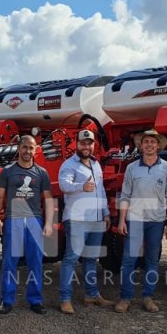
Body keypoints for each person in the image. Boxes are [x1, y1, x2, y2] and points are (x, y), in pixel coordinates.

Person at [115, 130, 167, 313]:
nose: (149, 145)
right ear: (140, 146)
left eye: (153, 142)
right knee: (129, 259)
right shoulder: (132, 168)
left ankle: (148, 297)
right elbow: (125, 195)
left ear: (158, 146)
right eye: (146, 142)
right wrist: (122, 220)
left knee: (152, 260)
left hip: (156, 221)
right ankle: (125, 297)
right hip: (134, 219)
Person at [0, 135, 55, 314]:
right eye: (25, 147)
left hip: (35, 220)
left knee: (35, 262)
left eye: (31, 148)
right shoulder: (7, 171)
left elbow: (49, 200)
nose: (28, 151)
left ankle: (35, 300)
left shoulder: (41, 173)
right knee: (9, 262)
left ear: (36, 150)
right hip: (14, 219)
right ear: (19, 149)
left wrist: (49, 223)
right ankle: (7, 300)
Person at [57, 130, 114, 314]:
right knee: (71, 259)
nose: (86, 146)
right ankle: (65, 299)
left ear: (93, 145)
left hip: (96, 219)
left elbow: (101, 191)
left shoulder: (96, 165)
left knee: (91, 258)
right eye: (83, 143)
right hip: (77, 219)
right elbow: (63, 185)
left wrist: (105, 213)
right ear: (77, 144)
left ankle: (92, 294)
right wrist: (81, 186)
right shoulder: (69, 165)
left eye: (89, 143)